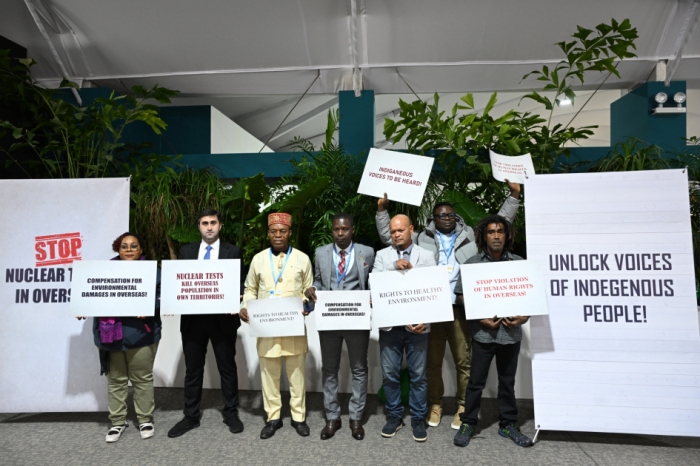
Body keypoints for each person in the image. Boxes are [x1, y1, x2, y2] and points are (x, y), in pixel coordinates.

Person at [376, 180, 521, 429]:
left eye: (450, 214)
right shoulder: (422, 237)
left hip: (460, 306)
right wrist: (382, 211)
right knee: (432, 362)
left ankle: (463, 407)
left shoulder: (470, 236)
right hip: (430, 307)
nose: (446, 217)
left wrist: (514, 196)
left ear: (456, 216)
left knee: (464, 360)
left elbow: (500, 222)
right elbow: (391, 236)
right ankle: (435, 404)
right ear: (433, 218)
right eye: (440, 215)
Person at [452, 215, 533, 448]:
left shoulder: (519, 263)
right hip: (482, 334)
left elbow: (529, 297)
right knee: (475, 382)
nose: (496, 235)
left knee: (507, 382)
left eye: (500, 231)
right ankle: (468, 422)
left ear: (507, 235)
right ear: (483, 236)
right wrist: (479, 317)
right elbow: (460, 295)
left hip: (511, 334)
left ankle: (508, 424)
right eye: (490, 232)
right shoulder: (472, 264)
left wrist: (525, 316)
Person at [77, 232, 162, 443]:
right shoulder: (102, 272)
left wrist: (151, 305)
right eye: (125, 246)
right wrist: (82, 306)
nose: (129, 249)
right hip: (110, 337)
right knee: (116, 380)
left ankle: (144, 419)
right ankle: (117, 422)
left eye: (134, 246)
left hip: (141, 334)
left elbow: (164, 295)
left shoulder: (153, 272)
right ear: (118, 249)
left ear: (141, 249)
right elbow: (89, 292)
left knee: (142, 378)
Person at [168, 209, 245, 438]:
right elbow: (179, 280)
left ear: (220, 226)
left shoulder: (234, 251)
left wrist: (238, 298)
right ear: (199, 227)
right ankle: (190, 416)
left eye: (213, 223)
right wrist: (171, 300)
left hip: (223, 320)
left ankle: (231, 412)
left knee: (227, 369)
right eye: (204, 223)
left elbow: (240, 282)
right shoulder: (187, 250)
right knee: (193, 370)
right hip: (193, 321)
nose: (209, 227)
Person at [240, 213, 314, 439]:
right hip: (266, 328)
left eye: (282, 231)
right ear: (268, 233)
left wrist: (307, 305)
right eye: (274, 231)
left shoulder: (302, 259)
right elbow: (250, 289)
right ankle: (273, 417)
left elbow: (309, 292)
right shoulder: (258, 259)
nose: (278, 235)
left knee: (296, 375)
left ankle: (298, 417)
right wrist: (245, 306)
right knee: (268, 375)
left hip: (293, 328)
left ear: (290, 233)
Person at [304, 213, 376, 441]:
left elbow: (374, 280)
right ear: (332, 230)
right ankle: (332, 417)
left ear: (352, 229)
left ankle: (355, 417)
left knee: (359, 369)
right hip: (330, 319)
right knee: (329, 369)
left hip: (357, 319)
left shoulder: (367, 252)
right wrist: (312, 290)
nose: (340, 233)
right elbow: (317, 280)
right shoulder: (321, 252)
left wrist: (374, 295)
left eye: (345, 229)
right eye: (336, 229)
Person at [372, 214, 437, 442]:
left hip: (417, 327)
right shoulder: (382, 256)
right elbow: (374, 283)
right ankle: (394, 416)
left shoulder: (427, 256)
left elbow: (433, 291)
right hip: (390, 327)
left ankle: (418, 418)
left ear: (411, 229)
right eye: (392, 232)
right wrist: (393, 266)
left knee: (419, 376)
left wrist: (426, 321)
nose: (396, 235)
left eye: (400, 230)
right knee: (390, 375)